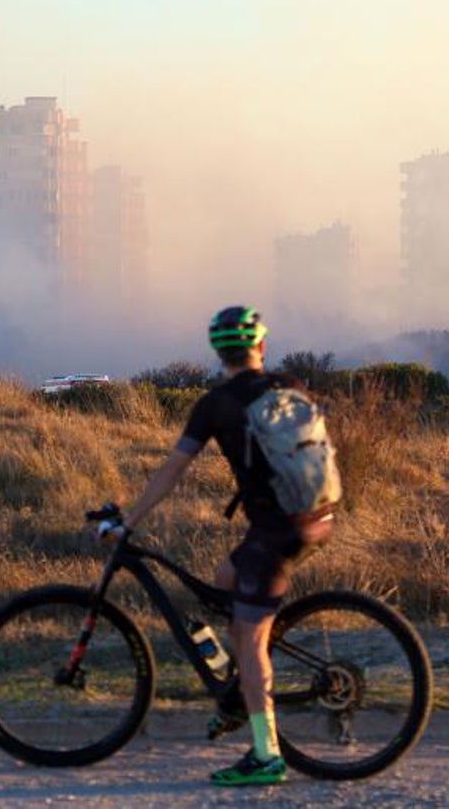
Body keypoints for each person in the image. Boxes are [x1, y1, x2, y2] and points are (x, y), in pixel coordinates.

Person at [111, 305, 336, 787]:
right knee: (224, 580)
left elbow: (173, 470)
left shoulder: (216, 404)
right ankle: (241, 691)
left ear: (218, 352)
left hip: (278, 531)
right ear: (261, 347)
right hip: (317, 516)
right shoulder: (291, 384)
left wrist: (130, 520)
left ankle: (266, 754)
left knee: (251, 642)